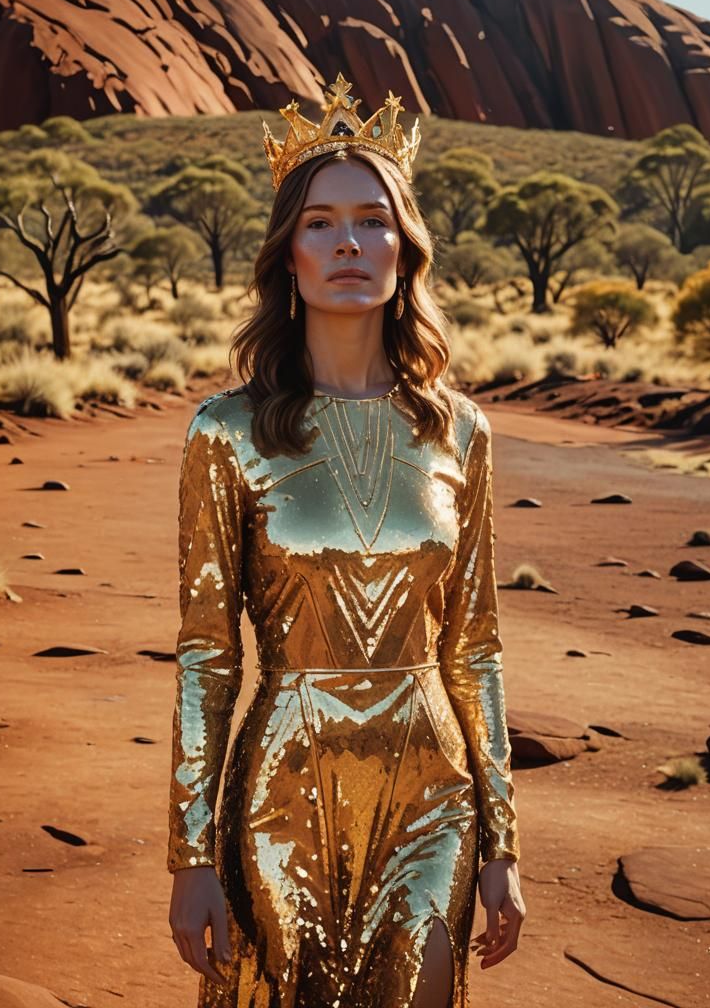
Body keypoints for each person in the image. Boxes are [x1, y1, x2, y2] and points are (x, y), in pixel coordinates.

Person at [168, 73, 525, 1008]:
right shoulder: (227, 430)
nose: (349, 243)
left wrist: (504, 843)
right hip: (285, 781)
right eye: (320, 223)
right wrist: (191, 852)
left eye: (372, 220)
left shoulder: (461, 432)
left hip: (434, 787)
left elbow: (475, 647)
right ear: (287, 254)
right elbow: (207, 657)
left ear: (406, 251)